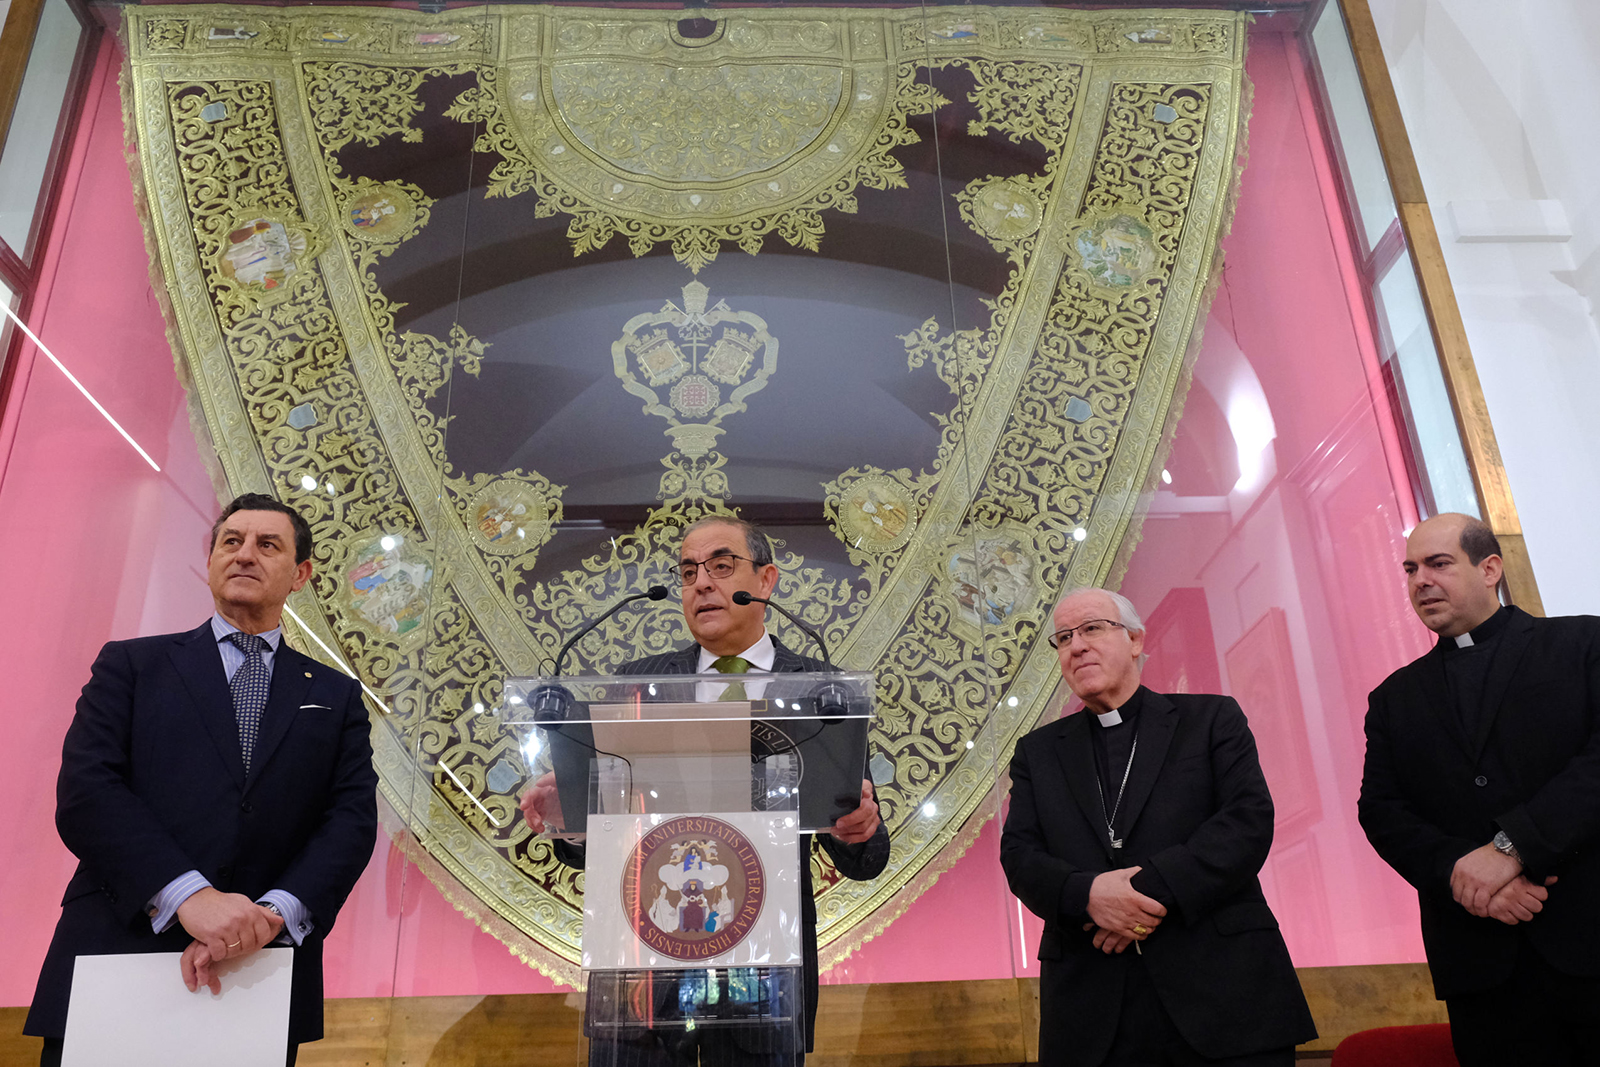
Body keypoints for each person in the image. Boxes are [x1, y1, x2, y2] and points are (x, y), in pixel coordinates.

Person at [24, 493, 379, 1067]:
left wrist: (269, 916)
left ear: (301, 575)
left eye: (268, 545)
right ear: (210, 559)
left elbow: (352, 819)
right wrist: (189, 894)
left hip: (259, 969)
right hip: (118, 947)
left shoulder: (334, 695)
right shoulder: (131, 665)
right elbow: (89, 791)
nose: (245, 555)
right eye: (231, 542)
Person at [520, 515, 890, 1065]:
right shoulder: (640, 684)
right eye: (689, 571)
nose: (701, 583)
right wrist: (573, 812)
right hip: (644, 978)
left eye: (721, 566)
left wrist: (861, 828)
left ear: (766, 581)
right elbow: (600, 835)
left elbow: (865, 857)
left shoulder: (822, 692)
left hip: (764, 978)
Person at [1001, 586, 1315, 1067]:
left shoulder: (1210, 719)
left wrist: (1130, 899)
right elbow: (1020, 856)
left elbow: (1245, 823)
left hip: (1223, 997)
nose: (1076, 646)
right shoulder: (1038, 753)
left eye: (1091, 629)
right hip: (1095, 1013)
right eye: (1063, 638)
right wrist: (1088, 897)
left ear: (1134, 640)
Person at [1359, 513, 1600, 1065]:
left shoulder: (1584, 643)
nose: (1421, 580)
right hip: (1481, 967)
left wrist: (1511, 848)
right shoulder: (1394, 698)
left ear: (1489, 568)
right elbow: (1381, 810)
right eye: (1410, 569)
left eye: (1439, 564)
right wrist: (1464, 874)